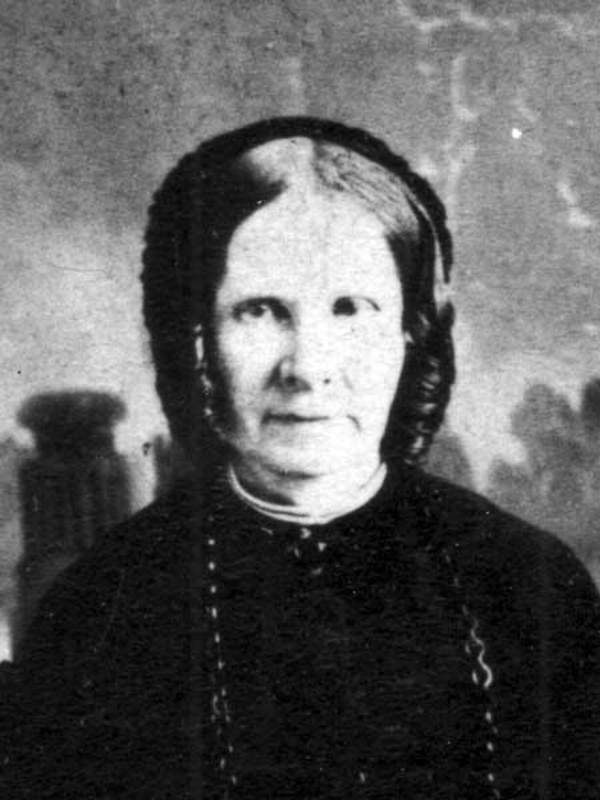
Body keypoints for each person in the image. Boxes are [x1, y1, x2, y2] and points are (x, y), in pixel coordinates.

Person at [2, 117, 600, 799]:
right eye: (260, 310)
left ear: (411, 334)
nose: (308, 367)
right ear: (196, 342)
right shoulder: (104, 610)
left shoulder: (528, 587)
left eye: (351, 308)